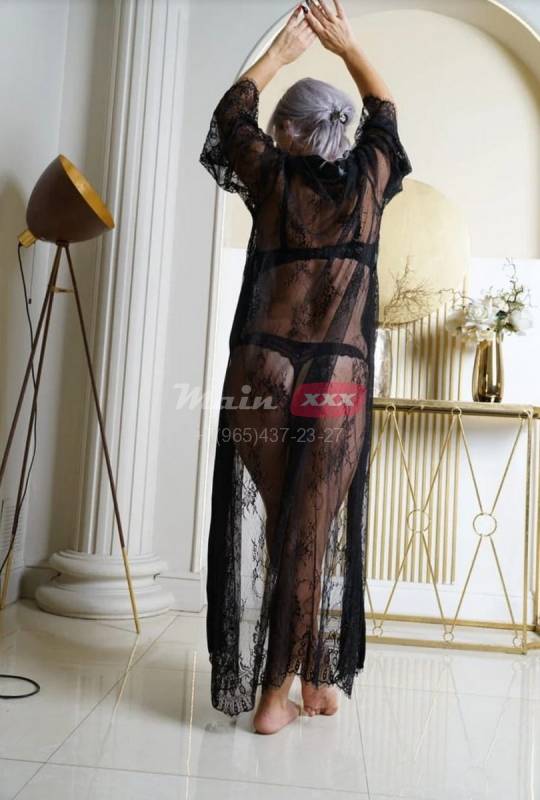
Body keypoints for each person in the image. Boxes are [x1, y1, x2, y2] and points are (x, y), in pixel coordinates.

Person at [199, 0, 412, 734]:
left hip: (262, 371)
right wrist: (348, 46)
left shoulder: (271, 176)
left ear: (287, 131)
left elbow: (232, 119)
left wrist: (278, 54)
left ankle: (315, 680)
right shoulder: (370, 179)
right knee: (307, 533)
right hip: (333, 382)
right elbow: (385, 112)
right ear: (339, 129)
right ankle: (273, 698)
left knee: (295, 528)